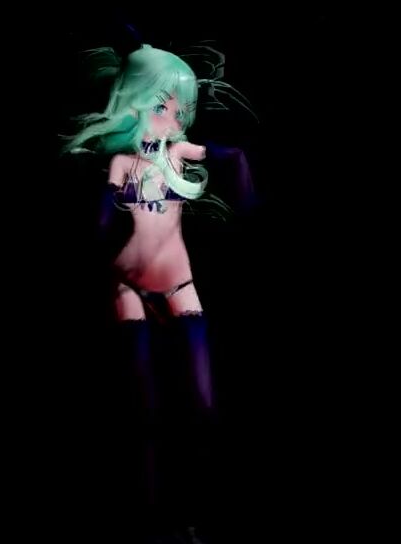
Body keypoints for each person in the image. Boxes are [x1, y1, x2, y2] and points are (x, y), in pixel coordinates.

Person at [63, 43, 255, 543]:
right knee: (143, 409)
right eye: (162, 106)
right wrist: (107, 198)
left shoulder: (176, 155)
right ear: (134, 102)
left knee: (203, 404)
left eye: (181, 110)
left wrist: (248, 202)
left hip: (177, 282)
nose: (174, 120)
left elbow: (233, 156)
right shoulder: (121, 162)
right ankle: (151, 519)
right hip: (126, 285)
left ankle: (194, 514)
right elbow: (98, 227)